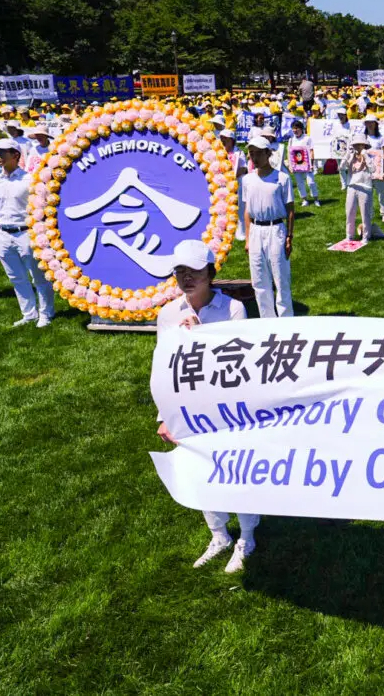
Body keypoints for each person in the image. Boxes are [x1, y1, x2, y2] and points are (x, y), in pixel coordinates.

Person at [155, 239, 260, 573]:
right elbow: (164, 367)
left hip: (227, 406)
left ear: (210, 272)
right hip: (189, 407)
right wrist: (165, 415)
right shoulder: (168, 313)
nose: (186, 277)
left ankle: (246, 536)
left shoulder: (232, 310)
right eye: (179, 271)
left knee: (236, 468)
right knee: (200, 469)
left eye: (194, 270)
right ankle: (218, 534)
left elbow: (240, 363)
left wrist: (203, 340)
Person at [0, 138, 55, 326]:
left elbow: (41, 209)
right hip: (3, 234)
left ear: (15, 155)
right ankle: (29, 314)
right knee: (16, 277)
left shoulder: (30, 180)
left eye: (2, 152)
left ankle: (46, 313)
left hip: (26, 234)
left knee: (39, 276)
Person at [242, 135, 295, 318]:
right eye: (251, 154)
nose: (254, 158)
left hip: (276, 230)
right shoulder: (247, 180)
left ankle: (286, 320)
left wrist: (289, 236)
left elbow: (290, 209)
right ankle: (267, 320)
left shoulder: (281, 178)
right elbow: (247, 210)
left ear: (268, 153)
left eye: (258, 153)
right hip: (256, 231)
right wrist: (248, 238)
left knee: (280, 278)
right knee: (259, 280)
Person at [340, 137, 375, 241]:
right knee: (349, 212)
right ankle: (349, 235)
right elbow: (341, 167)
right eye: (355, 145)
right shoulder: (351, 157)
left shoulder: (368, 156)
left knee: (365, 214)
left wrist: (365, 155)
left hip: (365, 188)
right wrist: (347, 155)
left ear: (364, 146)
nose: (358, 147)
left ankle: (366, 236)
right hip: (352, 187)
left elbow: (373, 169)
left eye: (360, 144)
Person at [286, 120, 319, 207]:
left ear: (301, 129)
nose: (295, 130)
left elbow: (311, 151)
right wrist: (290, 165)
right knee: (300, 183)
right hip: (296, 166)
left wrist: (311, 164)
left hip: (307, 165)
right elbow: (289, 153)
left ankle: (316, 199)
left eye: (296, 128)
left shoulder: (307, 138)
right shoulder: (291, 140)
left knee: (311, 182)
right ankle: (304, 200)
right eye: (293, 129)